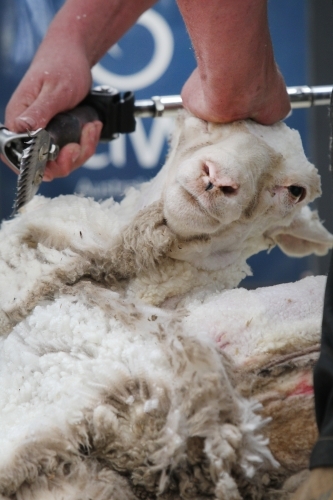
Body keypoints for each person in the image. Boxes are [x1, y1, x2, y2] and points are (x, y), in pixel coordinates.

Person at [4, 0, 333, 497]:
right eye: (208, 126)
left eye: (291, 192)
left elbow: (236, 89)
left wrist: (230, 78)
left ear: (288, 229)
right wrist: (69, 43)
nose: (219, 177)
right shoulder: (51, 263)